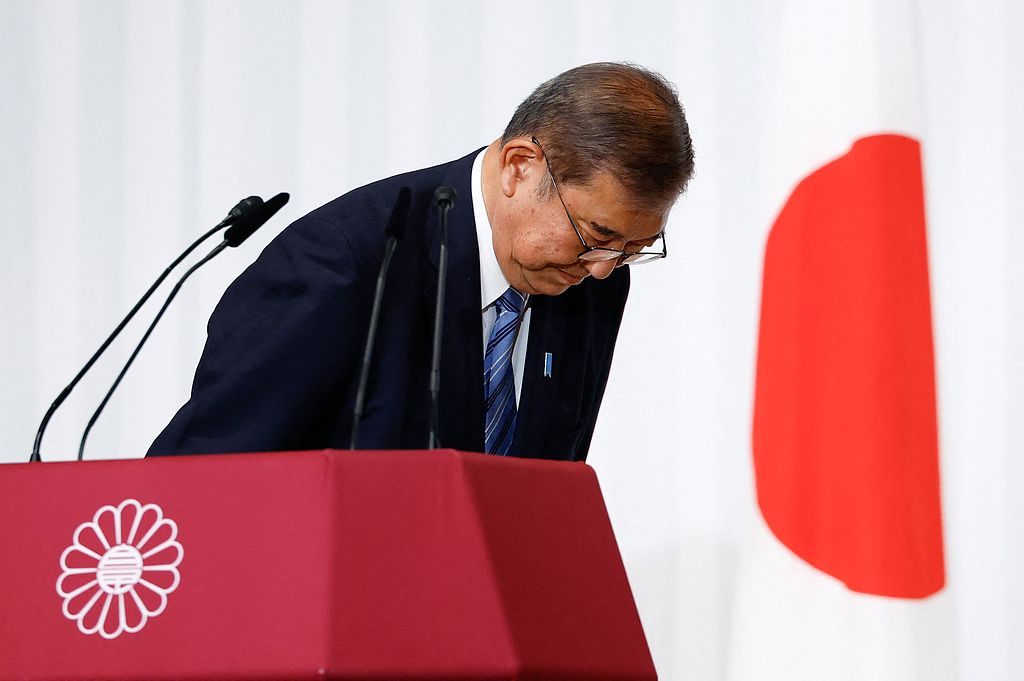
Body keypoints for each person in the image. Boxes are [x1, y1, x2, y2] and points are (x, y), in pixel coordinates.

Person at [148, 62, 694, 461]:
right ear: (520, 167)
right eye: (596, 233)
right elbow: (205, 479)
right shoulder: (343, 262)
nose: (603, 267)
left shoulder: (590, 276)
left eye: (632, 249)